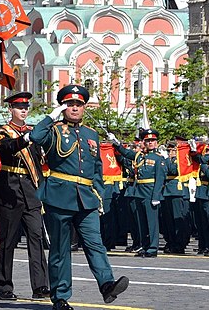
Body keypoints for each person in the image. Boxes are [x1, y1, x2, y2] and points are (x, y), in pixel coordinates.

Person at [34, 85, 129, 310]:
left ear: (84, 107)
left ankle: (107, 284)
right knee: (60, 249)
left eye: (78, 104)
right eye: (70, 104)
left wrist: (99, 196)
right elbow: (35, 137)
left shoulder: (90, 134)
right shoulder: (54, 131)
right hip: (59, 195)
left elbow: (97, 168)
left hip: (86, 198)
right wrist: (50, 117)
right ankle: (60, 296)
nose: (74, 108)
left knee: (95, 243)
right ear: (63, 107)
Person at [0, 92, 49, 300]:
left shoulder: (33, 134)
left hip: (30, 191)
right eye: (19, 107)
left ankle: (40, 285)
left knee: (36, 236)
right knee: (7, 240)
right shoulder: (1, 132)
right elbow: (6, 149)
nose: (23, 110)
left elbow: (39, 163)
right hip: (10, 189)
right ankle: (4, 285)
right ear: (11, 110)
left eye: (26, 107)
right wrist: (24, 139)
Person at [110, 128, 165, 257]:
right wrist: (116, 143)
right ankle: (145, 245)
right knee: (142, 222)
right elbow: (126, 153)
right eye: (147, 140)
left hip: (150, 193)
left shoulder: (158, 158)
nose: (150, 143)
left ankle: (152, 248)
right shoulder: (139, 156)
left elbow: (160, 179)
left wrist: (156, 196)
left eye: (152, 140)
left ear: (156, 142)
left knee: (152, 223)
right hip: (139, 192)